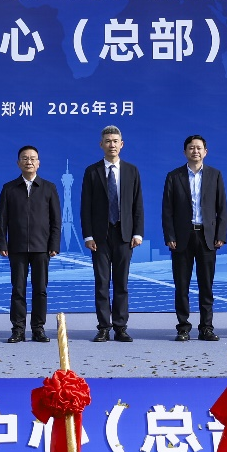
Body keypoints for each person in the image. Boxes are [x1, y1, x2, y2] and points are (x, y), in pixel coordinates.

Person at [80, 125, 144, 342]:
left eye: (115, 141)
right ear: (101, 144)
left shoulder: (132, 171)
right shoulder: (92, 171)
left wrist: (138, 233)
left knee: (121, 283)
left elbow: (137, 204)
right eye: (108, 141)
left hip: (124, 235)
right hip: (100, 237)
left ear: (122, 144)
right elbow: (85, 206)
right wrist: (88, 236)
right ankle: (103, 327)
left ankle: (120, 327)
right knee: (102, 282)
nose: (112, 145)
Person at [161, 134, 227, 342]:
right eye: (191, 148)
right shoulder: (174, 176)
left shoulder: (215, 175)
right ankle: (183, 327)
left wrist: (220, 235)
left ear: (205, 152)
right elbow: (167, 210)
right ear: (185, 152)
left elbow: (222, 208)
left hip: (207, 237)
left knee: (206, 286)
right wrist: (170, 235)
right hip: (182, 238)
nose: (195, 151)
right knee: (182, 286)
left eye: (199, 148)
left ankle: (206, 327)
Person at [0, 145, 61, 343]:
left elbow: (56, 220)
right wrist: (2, 243)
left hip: (42, 247)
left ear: (38, 163)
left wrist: (54, 244)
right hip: (16, 247)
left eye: (33, 158)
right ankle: (18, 329)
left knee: (40, 289)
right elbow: (2, 220)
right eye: (25, 158)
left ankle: (38, 328)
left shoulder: (49, 188)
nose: (29, 162)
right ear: (18, 163)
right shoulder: (9, 188)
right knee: (18, 289)